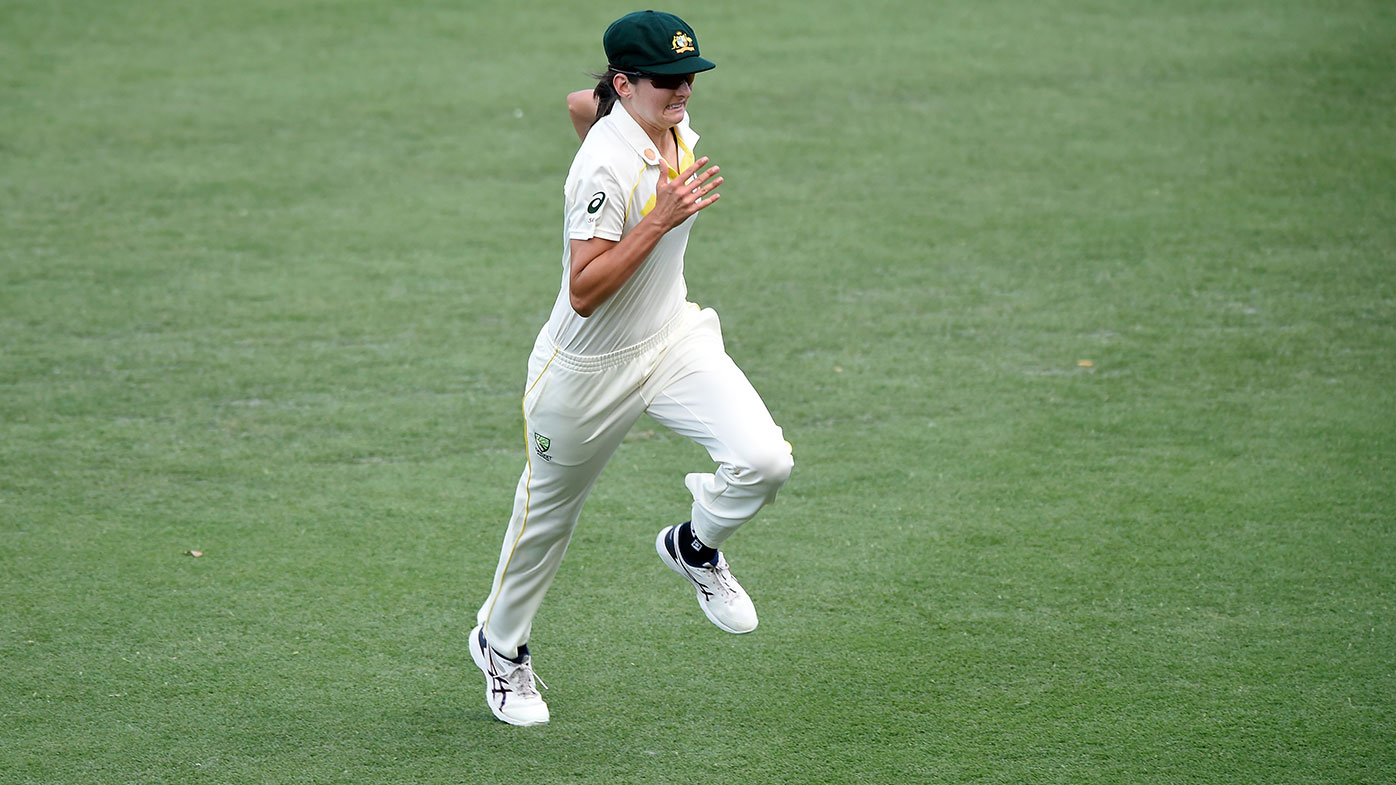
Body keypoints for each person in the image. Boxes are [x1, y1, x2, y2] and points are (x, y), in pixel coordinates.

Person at [468, 10, 794, 727]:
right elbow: (584, 291)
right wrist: (657, 216)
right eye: (670, 81)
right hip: (584, 371)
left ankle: (695, 544)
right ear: (627, 81)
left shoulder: (644, 115)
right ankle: (499, 645)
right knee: (547, 519)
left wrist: (606, 119)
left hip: (672, 339)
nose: (684, 92)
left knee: (764, 459)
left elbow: (579, 103)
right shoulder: (603, 168)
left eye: (691, 77)